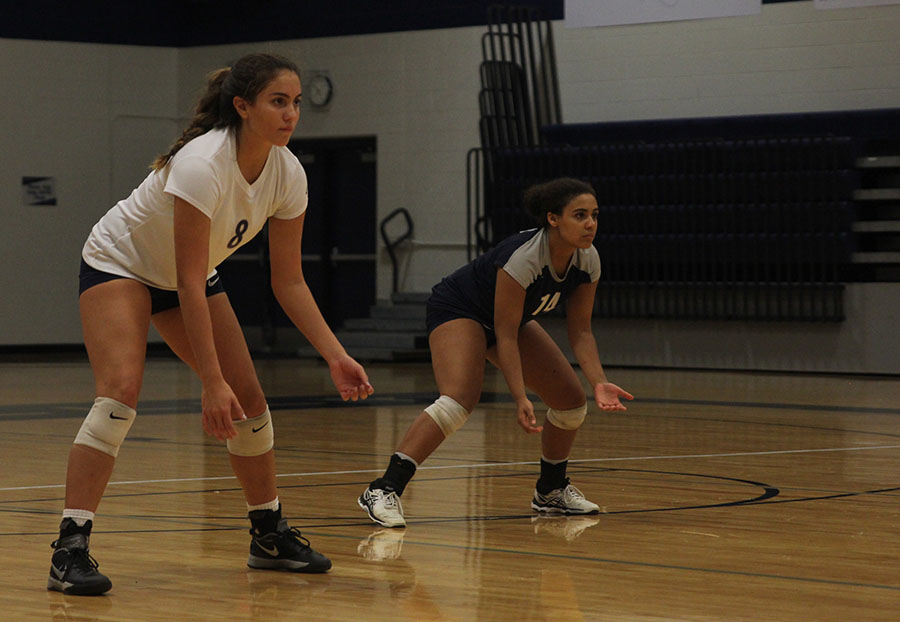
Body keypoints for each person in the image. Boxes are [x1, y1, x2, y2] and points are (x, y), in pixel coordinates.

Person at [48, 52, 374, 596]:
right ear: (243, 106)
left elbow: (289, 281)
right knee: (120, 395)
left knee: (249, 401)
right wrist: (210, 381)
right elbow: (189, 279)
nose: (291, 113)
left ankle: (267, 534)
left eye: (295, 103)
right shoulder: (202, 163)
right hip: (120, 263)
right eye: (278, 101)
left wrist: (334, 353)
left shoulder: (288, 172)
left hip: (187, 277)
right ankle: (70, 547)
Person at [358, 177, 632, 528]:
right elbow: (504, 334)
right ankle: (383, 489)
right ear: (553, 219)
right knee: (458, 400)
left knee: (570, 402)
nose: (590, 223)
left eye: (594, 215)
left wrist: (599, 381)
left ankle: (550, 491)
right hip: (460, 309)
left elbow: (580, 330)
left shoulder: (588, 259)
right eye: (579, 215)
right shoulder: (525, 257)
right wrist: (519, 396)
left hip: (508, 321)